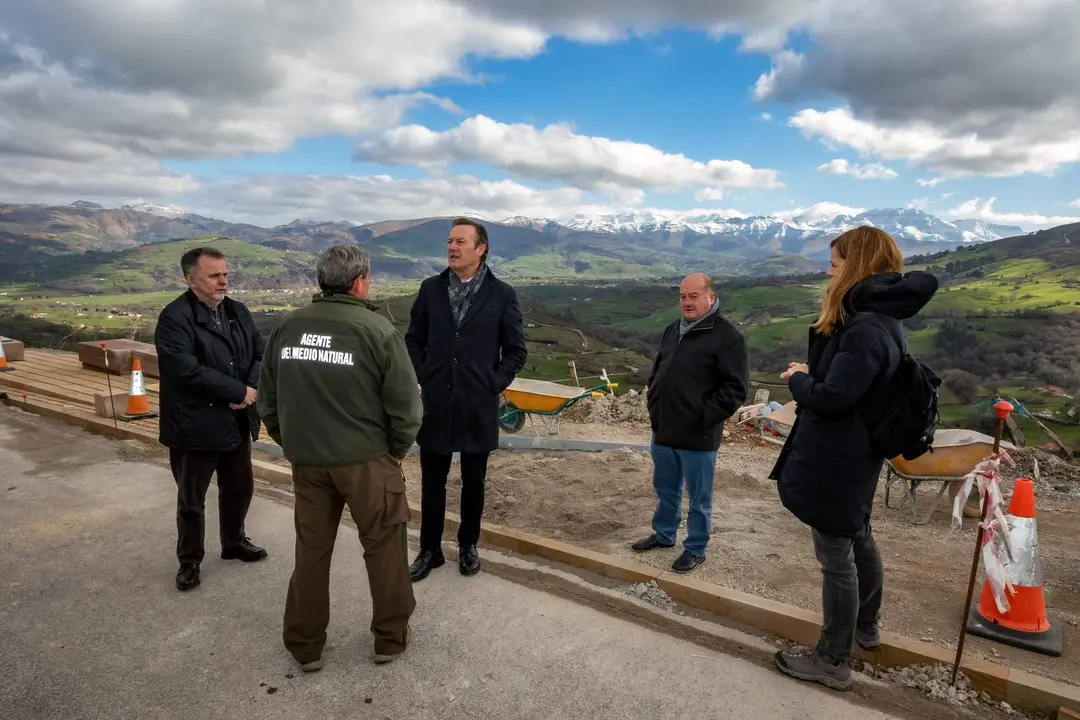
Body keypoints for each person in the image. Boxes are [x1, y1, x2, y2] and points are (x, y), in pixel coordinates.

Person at [769, 226, 938, 691]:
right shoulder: (880, 320)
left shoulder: (864, 328)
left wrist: (799, 379)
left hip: (838, 458)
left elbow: (836, 396)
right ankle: (865, 626)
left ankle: (832, 658)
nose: (829, 271)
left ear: (858, 266)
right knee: (857, 536)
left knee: (836, 555)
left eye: (837, 263)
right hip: (854, 453)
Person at [258, 244, 422, 671]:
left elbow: (269, 400)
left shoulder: (287, 326)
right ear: (360, 282)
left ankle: (304, 645)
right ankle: (390, 639)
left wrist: (292, 442)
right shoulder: (377, 331)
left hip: (307, 461)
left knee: (311, 552)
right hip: (367, 462)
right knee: (384, 548)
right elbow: (407, 409)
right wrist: (394, 455)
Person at [405, 217, 528, 581]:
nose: (452, 247)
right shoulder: (430, 289)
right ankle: (430, 550)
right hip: (437, 402)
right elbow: (413, 339)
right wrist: (425, 372)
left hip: (478, 404)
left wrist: (494, 382)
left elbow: (516, 351)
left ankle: (468, 544)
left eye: (460, 241)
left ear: (481, 248)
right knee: (432, 480)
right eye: (449, 241)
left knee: (474, 481)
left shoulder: (502, 295)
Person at [154, 247, 268, 592]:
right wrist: (237, 391)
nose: (223, 281)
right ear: (191, 280)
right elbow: (184, 370)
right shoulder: (174, 318)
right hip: (194, 424)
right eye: (214, 275)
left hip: (235, 420)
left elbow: (259, 353)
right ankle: (190, 560)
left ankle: (234, 542)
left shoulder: (237, 312)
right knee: (192, 498)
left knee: (238, 488)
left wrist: (249, 388)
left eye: (225, 274)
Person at [631, 272, 750, 573]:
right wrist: (654, 399)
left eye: (694, 296)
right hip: (665, 427)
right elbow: (660, 368)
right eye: (683, 296)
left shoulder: (728, 336)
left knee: (699, 497)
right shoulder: (674, 329)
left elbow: (735, 390)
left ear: (711, 296)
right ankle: (664, 535)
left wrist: (702, 416)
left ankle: (696, 548)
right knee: (666, 488)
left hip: (698, 434)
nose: (687, 302)